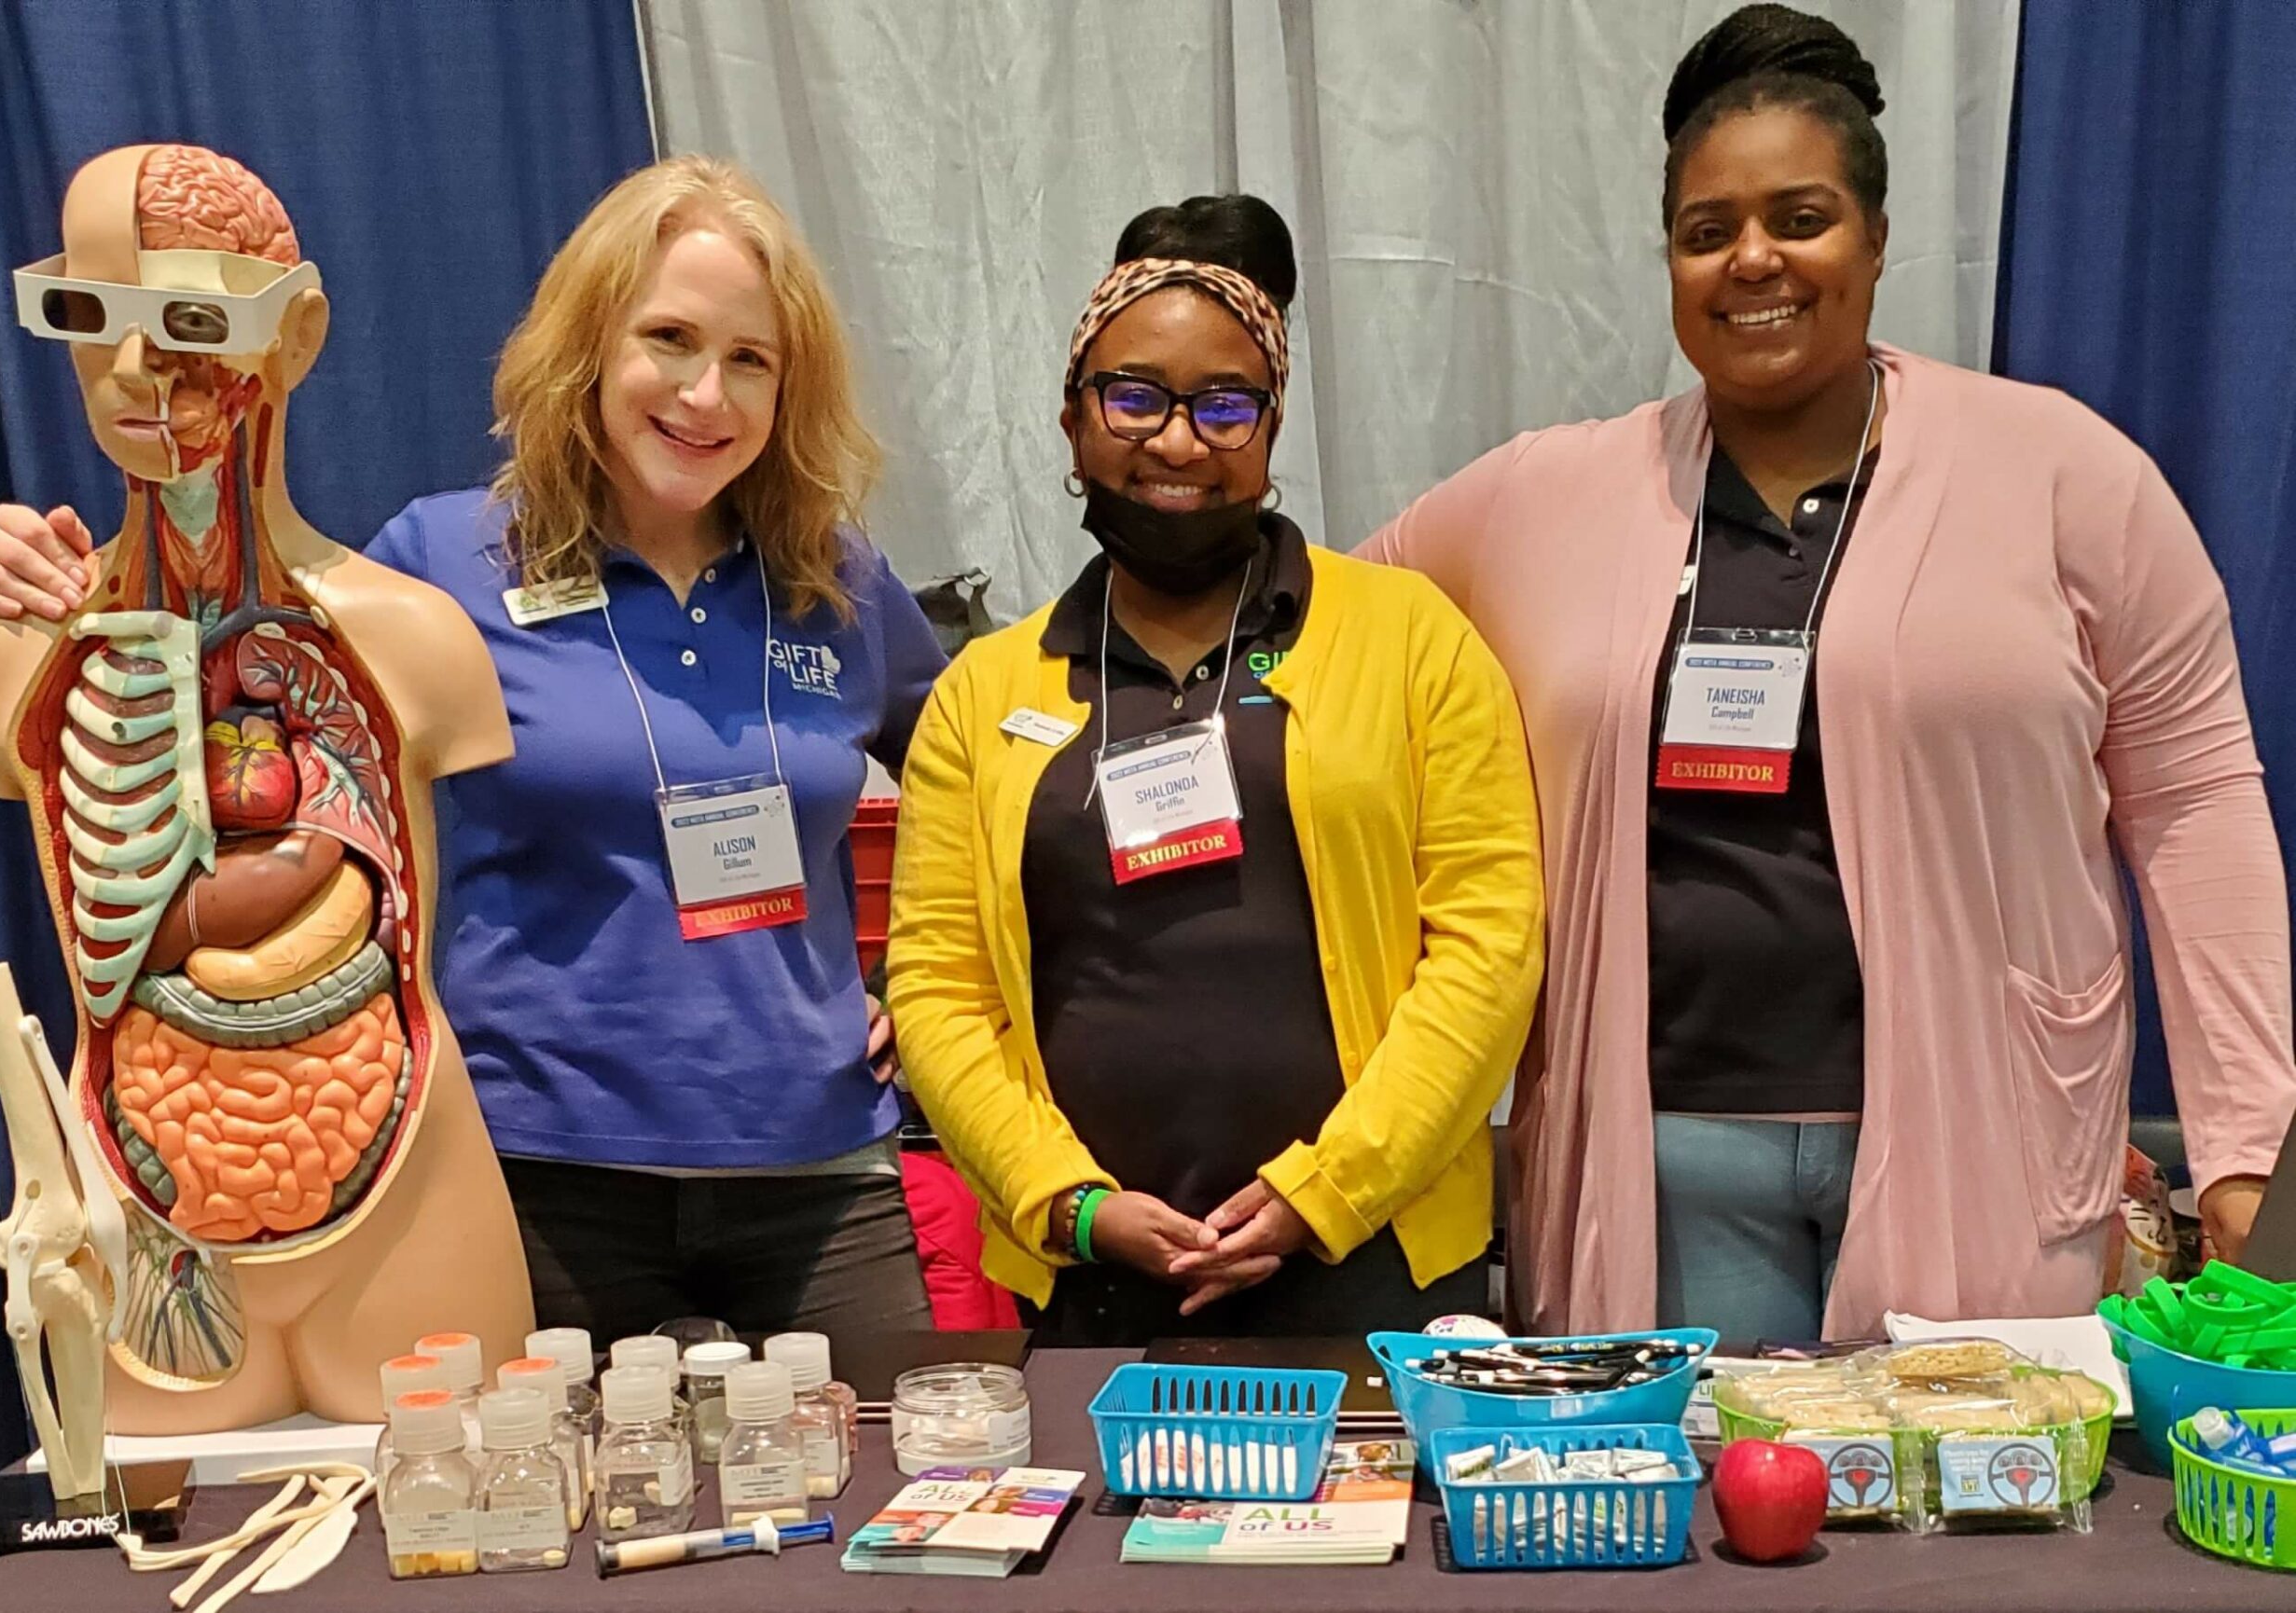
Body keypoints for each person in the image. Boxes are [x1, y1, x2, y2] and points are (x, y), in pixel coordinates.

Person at [1363, 4, 2296, 1344]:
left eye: (1800, 217)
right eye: (1706, 231)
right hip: (1663, 1160)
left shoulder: (2064, 475)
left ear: (1874, 236)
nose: (1754, 259)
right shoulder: (1538, 498)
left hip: (1989, 1131)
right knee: (1701, 1532)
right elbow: (1333, 640)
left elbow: (2198, 798)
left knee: (1977, 1535)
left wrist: (2248, 1143)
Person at [0, 155, 946, 1339]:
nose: (705, 394)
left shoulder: (835, 579)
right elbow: (217, 702)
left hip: (821, 1170)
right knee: (564, 1519)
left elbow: (980, 785)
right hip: (539, 1175)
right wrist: (38, 576)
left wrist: (924, 987)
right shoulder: (439, 565)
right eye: (668, 338)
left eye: (750, 360)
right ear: (586, 345)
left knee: (893, 1502)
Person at [889, 196, 1543, 1344]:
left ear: (1271, 426)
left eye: (1223, 404)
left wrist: (1322, 1189)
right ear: (1072, 418)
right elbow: (939, 989)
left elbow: (1488, 946)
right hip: (1089, 1275)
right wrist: (1071, 1202)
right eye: (1134, 396)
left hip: (1375, 1260)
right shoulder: (985, 694)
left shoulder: (1411, 638)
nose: (1178, 441)